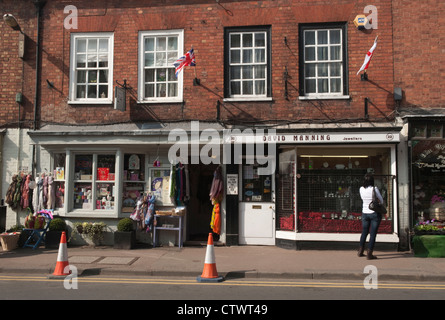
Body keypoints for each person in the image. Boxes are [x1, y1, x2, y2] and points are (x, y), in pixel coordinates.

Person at [358, 174, 384, 260]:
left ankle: (360, 251)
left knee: (364, 232)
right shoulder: (374, 189)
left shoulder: (361, 189)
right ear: (372, 181)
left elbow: (362, 199)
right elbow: (381, 200)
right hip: (374, 213)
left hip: (364, 212)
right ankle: (369, 254)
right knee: (373, 234)